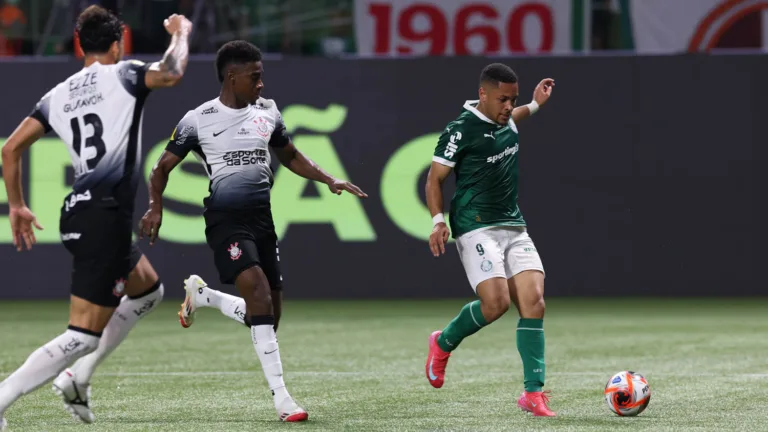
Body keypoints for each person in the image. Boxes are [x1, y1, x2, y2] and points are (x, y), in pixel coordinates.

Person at [139, 40, 368, 422]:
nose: (261, 84)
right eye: (255, 76)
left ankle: (205, 297)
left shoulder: (269, 112)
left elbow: (290, 155)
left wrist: (329, 179)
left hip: (262, 219)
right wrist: (155, 207)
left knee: (268, 317)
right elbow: (160, 168)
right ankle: (283, 400)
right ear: (232, 76)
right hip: (225, 219)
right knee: (258, 293)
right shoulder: (198, 119)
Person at [0, 6, 191, 429]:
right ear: (119, 41)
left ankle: (77, 377)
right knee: (81, 335)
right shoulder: (124, 74)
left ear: (77, 45)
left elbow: (10, 149)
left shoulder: (58, 94)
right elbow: (173, 70)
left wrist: (16, 205)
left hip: (91, 212)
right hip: (101, 217)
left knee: (148, 292)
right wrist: (182, 31)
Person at [424, 63, 557, 417]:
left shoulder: (507, 116)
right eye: (502, 99)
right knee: (496, 304)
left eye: (512, 99)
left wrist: (536, 104)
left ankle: (533, 393)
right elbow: (434, 180)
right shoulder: (460, 129)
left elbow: (518, 115)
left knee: (535, 301)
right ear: (482, 94)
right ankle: (444, 341)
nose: (507, 107)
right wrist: (438, 222)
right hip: (475, 225)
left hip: (513, 224)